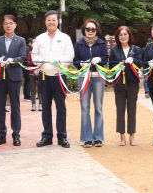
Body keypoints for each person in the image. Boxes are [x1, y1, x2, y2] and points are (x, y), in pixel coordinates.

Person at [31, 10, 74, 148]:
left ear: (57, 21)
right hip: (44, 76)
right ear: (45, 22)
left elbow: (70, 55)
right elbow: (34, 54)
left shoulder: (65, 38)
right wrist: (40, 63)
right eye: (48, 20)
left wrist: (59, 63)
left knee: (61, 107)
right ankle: (47, 136)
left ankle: (62, 137)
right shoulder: (39, 38)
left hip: (59, 76)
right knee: (46, 107)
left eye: (53, 20)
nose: (51, 22)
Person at [0, 15, 28, 146]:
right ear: (3, 25)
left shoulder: (21, 40)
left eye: (10, 23)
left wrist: (13, 60)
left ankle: (16, 134)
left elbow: (23, 56)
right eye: (6, 23)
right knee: (0, 107)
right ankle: (1, 135)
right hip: (0, 77)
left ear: (15, 25)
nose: (8, 25)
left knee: (15, 106)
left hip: (14, 76)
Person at [74, 18, 108, 148]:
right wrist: (81, 64)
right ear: (84, 30)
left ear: (96, 30)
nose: (90, 31)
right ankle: (87, 138)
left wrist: (99, 59)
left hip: (98, 77)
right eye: (88, 29)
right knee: (84, 108)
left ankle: (98, 137)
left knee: (98, 107)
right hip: (84, 77)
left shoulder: (101, 43)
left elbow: (105, 58)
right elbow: (75, 60)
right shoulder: (79, 44)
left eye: (93, 29)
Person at [109, 26, 143, 146]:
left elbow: (140, 63)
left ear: (129, 35)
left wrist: (132, 60)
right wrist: (118, 67)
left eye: (125, 34)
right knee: (120, 109)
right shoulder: (114, 50)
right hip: (119, 83)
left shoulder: (136, 49)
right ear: (118, 37)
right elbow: (110, 67)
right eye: (120, 35)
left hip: (133, 82)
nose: (123, 37)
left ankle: (132, 136)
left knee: (132, 109)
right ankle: (122, 137)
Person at [26, 38, 41, 111]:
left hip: (41, 72)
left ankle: (41, 104)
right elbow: (28, 63)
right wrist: (35, 64)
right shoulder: (30, 53)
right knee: (33, 89)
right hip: (32, 72)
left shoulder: (41, 53)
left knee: (40, 89)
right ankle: (33, 105)